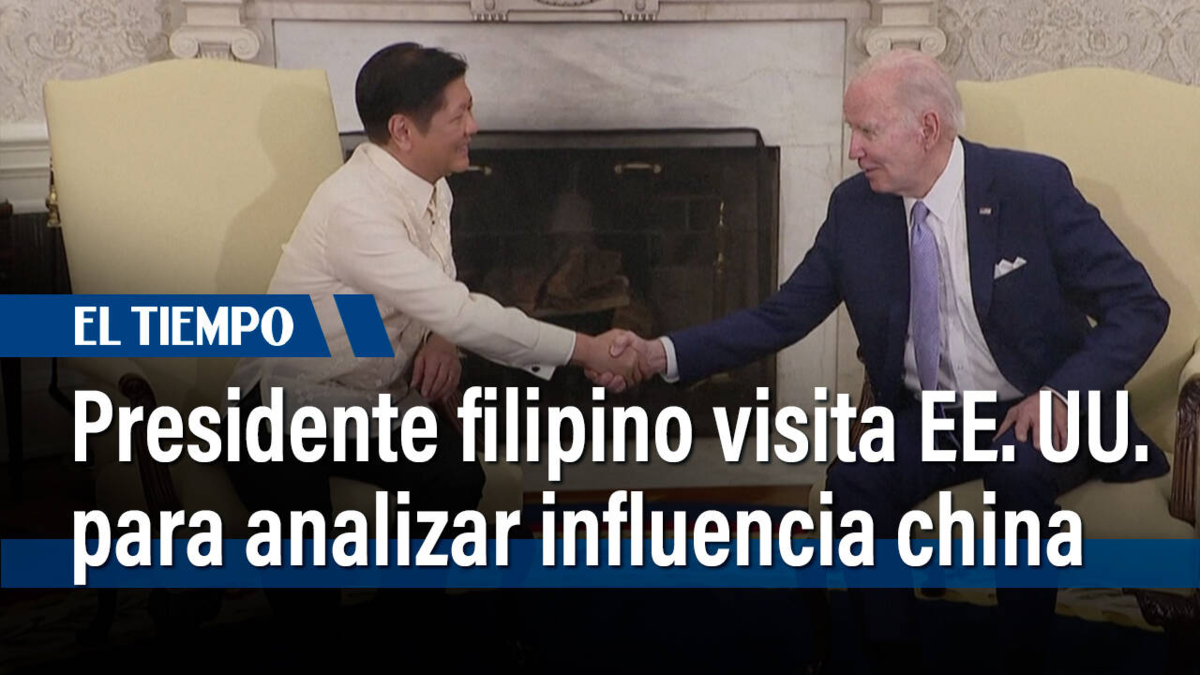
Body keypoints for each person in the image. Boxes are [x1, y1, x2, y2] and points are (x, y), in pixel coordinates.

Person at [601, 48, 1170, 672]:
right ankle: (888, 656)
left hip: (1041, 406)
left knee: (1016, 468)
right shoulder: (855, 209)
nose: (854, 150)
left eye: (867, 131)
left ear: (927, 127)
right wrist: (659, 353)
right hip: (933, 417)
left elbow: (1140, 306)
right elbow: (781, 316)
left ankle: (1021, 658)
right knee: (856, 478)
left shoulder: (1032, 188)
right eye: (853, 131)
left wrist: (1063, 394)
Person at [223, 42, 637, 630]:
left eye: (471, 109)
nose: (474, 126)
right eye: (459, 115)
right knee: (310, 601)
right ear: (403, 131)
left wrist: (441, 339)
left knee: (455, 479)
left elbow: (438, 292)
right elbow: (457, 307)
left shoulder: (431, 185)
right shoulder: (355, 208)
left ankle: (404, 626)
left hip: (368, 397)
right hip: (279, 410)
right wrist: (589, 349)